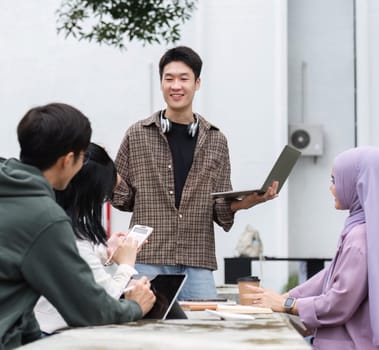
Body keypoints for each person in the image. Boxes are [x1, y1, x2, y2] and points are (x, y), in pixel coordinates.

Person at [0, 103, 155, 350]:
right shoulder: (43, 216)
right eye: (83, 155)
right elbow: (92, 311)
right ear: (68, 160)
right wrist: (135, 305)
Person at [111, 46, 278, 300]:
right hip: (147, 258)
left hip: (197, 260)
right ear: (161, 83)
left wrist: (249, 201)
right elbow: (122, 199)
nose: (176, 85)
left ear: (197, 83)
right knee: (144, 335)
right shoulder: (137, 134)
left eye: (183, 78)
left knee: (204, 334)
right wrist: (105, 174)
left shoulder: (216, 140)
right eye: (169, 78)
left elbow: (220, 209)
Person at [248, 146, 379, 350]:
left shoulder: (360, 238)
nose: (331, 188)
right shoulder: (378, 233)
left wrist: (287, 304)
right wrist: (284, 298)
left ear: (359, 184)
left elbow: (339, 302)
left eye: (335, 180)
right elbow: (329, 276)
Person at [34, 143, 141, 333]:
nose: (103, 202)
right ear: (88, 194)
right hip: (51, 336)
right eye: (104, 196)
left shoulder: (48, 217)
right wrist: (126, 265)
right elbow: (107, 304)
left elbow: (74, 257)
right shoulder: (69, 236)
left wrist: (105, 250)